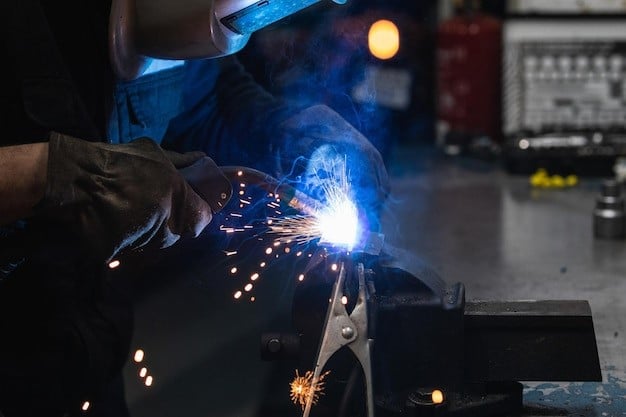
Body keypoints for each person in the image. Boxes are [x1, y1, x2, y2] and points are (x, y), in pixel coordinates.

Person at [0, 0, 389, 415]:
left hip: (85, 347)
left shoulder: (171, 12)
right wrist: (50, 175)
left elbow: (204, 100)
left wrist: (276, 130)